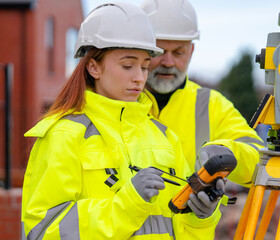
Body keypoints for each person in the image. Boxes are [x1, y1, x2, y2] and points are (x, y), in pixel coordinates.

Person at [21, 2, 224, 239]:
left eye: (144, 67)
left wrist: (201, 217)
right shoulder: (64, 135)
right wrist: (127, 205)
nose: (139, 78)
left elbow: (180, 229)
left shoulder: (164, 137)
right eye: (128, 66)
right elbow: (43, 231)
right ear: (94, 67)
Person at [140, 0, 265, 187]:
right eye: (159, 52)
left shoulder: (211, 105)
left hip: (195, 216)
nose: (168, 62)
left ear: (191, 52)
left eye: (178, 52)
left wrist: (227, 154)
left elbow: (259, 161)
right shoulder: (118, 99)